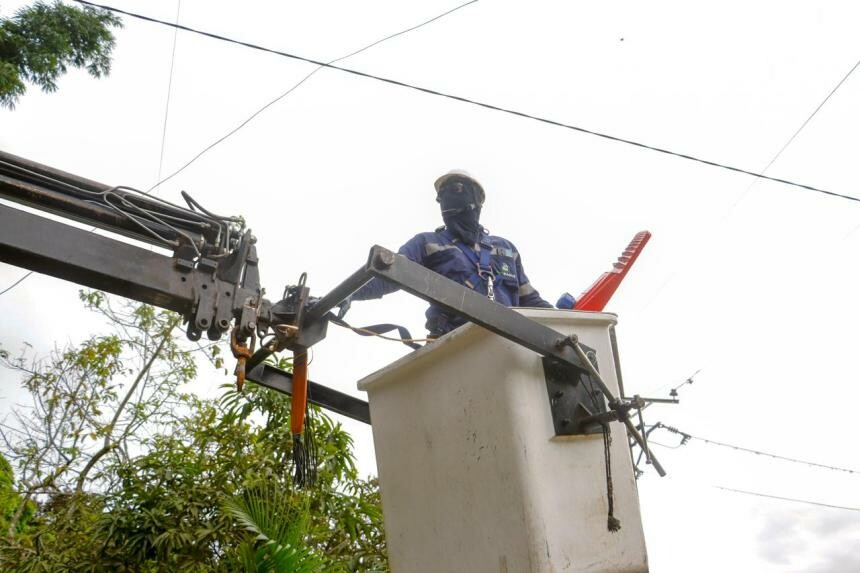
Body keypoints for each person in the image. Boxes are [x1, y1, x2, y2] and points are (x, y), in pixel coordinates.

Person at [350, 170, 553, 338]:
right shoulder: (427, 243)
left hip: (511, 342)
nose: (447, 201)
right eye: (442, 196)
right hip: (454, 343)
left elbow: (531, 301)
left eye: (456, 190)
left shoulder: (506, 249)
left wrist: (571, 325)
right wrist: (350, 294)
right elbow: (390, 272)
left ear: (476, 200)